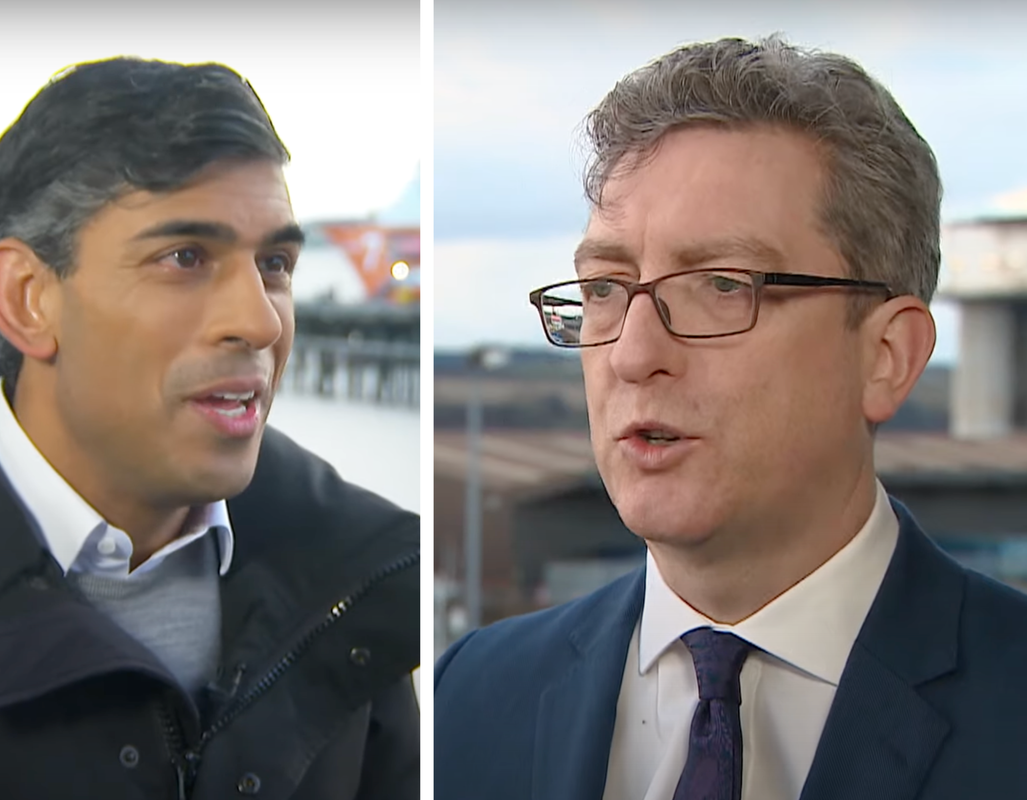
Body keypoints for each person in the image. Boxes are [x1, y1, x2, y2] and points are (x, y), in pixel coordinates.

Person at [435, 35, 1027, 800]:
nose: (632, 354)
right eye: (607, 288)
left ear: (887, 355)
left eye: (720, 285)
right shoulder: (470, 699)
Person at [0, 57, 419, 800]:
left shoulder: (361, 581)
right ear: (28, 298)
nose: (261, 320)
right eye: (185, 258)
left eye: (275, 263)